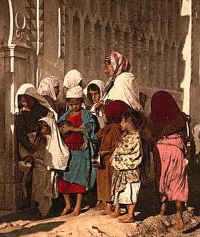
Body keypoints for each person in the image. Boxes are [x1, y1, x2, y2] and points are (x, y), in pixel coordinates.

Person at [149, 91, 192, 229]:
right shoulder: (180, 118)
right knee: (178, 181)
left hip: (160, 150)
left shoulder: (153, 118)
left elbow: (149, 136)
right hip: (176, 150)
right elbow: (188, 138)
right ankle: (179, 213)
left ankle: (162, 209)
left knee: (161, 179)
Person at [14, 83, 58, 206]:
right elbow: (20, 132)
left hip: (42, 145)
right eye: (23, 101)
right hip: (28, 147)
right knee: (28, 175)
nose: (26, 103)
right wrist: (29, 146)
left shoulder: (43, 110)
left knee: (43, 175)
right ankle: (30, 202)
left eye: (29, 100)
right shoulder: (21, 114)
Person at [57, 86, 96, 216]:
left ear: (81, 102)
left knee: (80, 179)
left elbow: (88, 129)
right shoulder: (65, 115)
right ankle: (68, 204)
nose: (74, 107)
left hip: (81, 151)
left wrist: (72, 129)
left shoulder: (86, 114)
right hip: (68, 151)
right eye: (71, 104)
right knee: (64, 179)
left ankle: (78, 205)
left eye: (77, 104)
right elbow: (60, 129)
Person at [29, 117, 70, 216]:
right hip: (38, 167)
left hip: (48, 169)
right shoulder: (39, 138)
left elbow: (61, 154)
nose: (43, 131)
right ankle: (39, 210)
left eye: (45, 128)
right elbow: (35, 151)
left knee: (46, 189)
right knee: (38, 189)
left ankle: (45, 211)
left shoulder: (55, 140)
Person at [95, 100, 130, 215]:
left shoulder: (115, 130)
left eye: (105, 114)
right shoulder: (107, 128)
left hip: (110, 161)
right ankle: (108, 206)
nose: (103, 116)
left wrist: (106, 151)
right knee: (105, 183)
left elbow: (117, 146)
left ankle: (114, 207)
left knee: (111, 183)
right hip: (104, 161)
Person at [111, 108, 144, 223]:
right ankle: (123, 211)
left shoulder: (135, 136)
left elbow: (128, 150)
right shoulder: (127, 135)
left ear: (129, 121)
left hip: (130, 170)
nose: (120, 124)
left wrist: (119, 146)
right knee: (123, 191)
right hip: (122, 169)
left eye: (122, 121)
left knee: (131, 192)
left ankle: (130, 215)